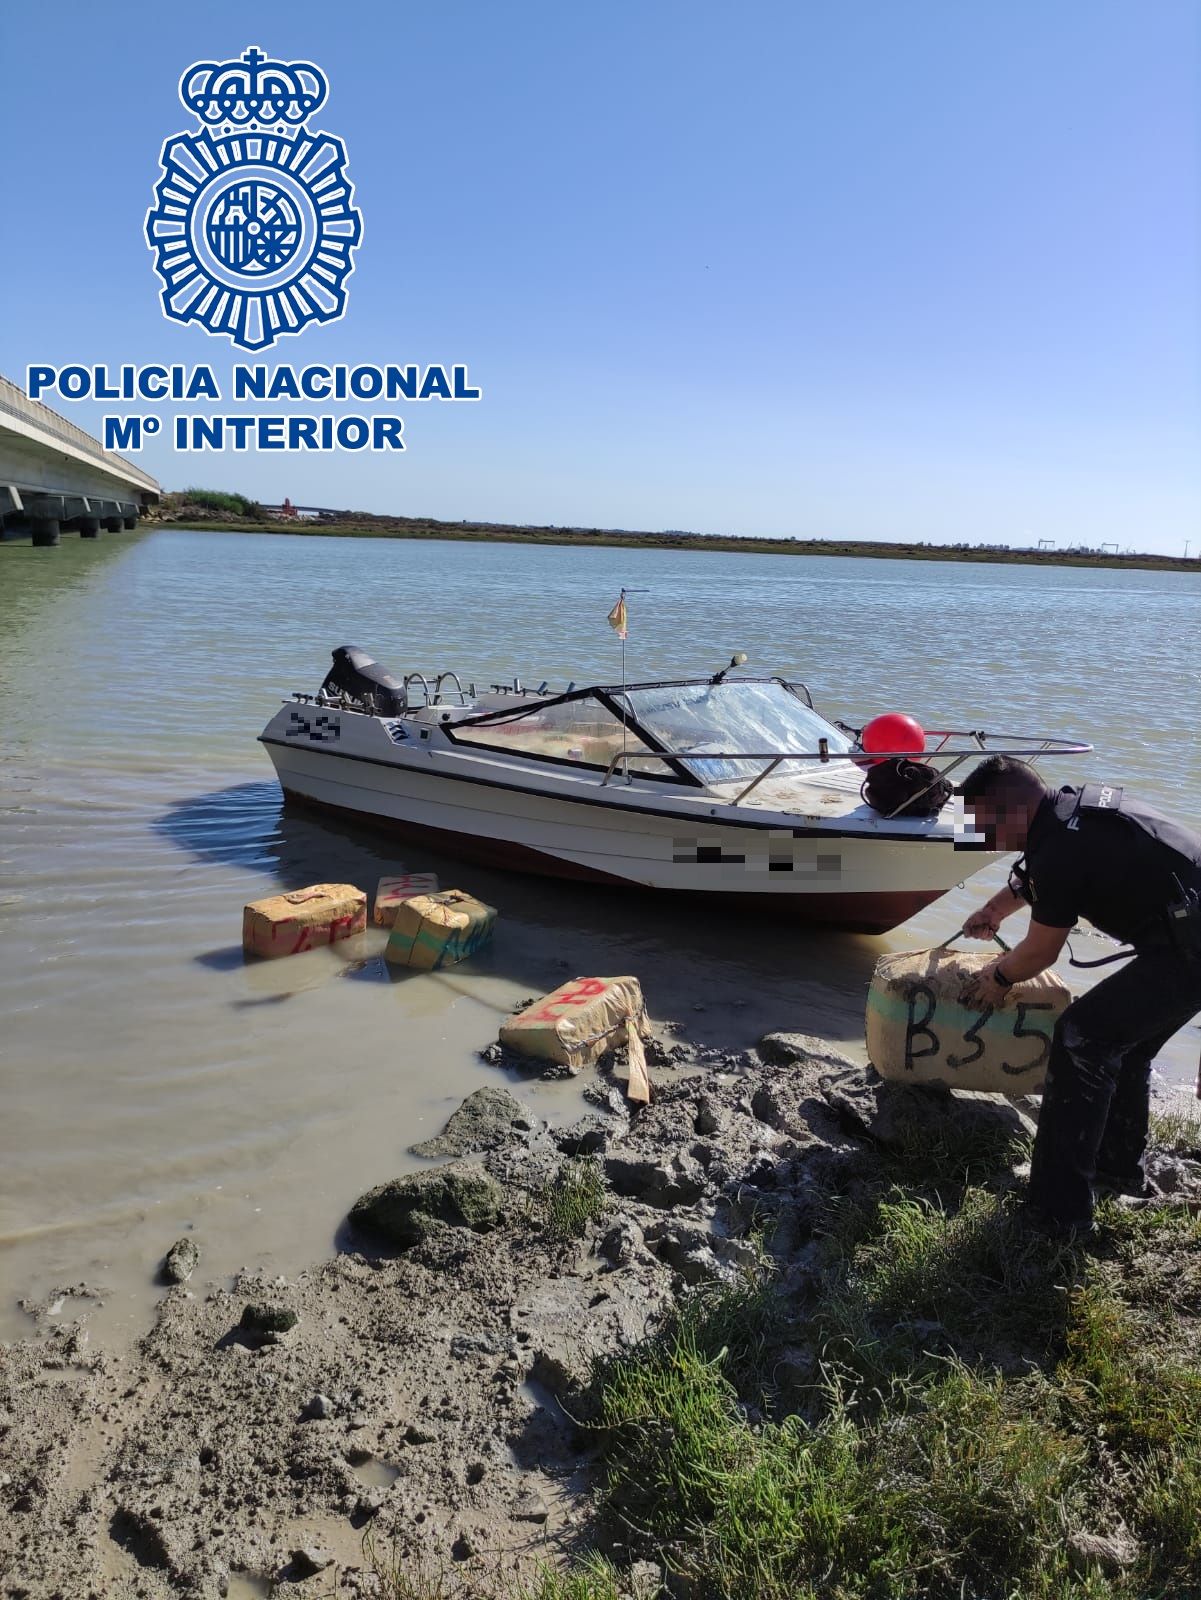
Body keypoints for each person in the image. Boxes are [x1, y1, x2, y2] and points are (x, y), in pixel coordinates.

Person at [956, 755, 1201, 1236]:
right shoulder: (1070, 811)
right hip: (1185, 940)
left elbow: (1040, 952)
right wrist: (994, 908)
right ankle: (1117, 1171)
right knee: (1122, 1045)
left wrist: (998, 978)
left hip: (1189, 952)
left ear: (1010, 811)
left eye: (984, 826)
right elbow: (1043, 876)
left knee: (1079, 1039)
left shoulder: (1061, 845)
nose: (982, 839)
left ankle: (1056, 1214)